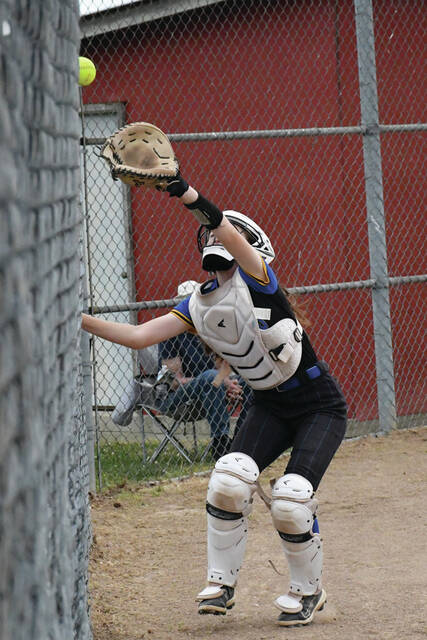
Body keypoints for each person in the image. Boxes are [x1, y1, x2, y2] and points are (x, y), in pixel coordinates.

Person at [82, 168, 347, 628]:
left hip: (318, 404)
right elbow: (136, 335)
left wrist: (183, 191)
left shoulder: (261, 282)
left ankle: (309, 591)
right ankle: (221, 586)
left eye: (226, 257)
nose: (220, 266)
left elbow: (221, 225)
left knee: (290, 497)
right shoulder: (197, 305)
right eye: (214, 257)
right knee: (229, 476)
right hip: (269, 403)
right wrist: (76, 317)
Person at [112, 281, 246, 460]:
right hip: (179, 400)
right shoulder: (172, 332)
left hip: (212, 393)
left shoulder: (211, 328)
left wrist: (228, 384)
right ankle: (220, 444)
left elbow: (223, 369)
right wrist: (217, 381)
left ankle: (241, 443)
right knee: (209, 377)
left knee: (250, 382)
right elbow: (175, 381)